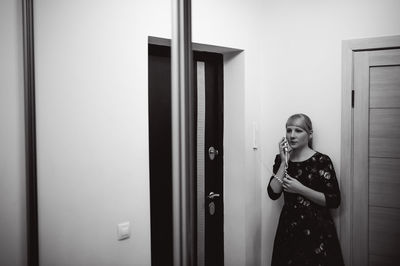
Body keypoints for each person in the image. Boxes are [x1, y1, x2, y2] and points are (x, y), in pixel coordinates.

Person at [267, 113, 344, 266]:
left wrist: (300, 189)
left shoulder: (322, 161)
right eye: (289, 130)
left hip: (317, 229)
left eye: (298, 130)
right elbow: (273, 193)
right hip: (289, 229)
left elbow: (334, 200)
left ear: (309, 134)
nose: (292, 135)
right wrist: (284, 162)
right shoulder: (280, 159)